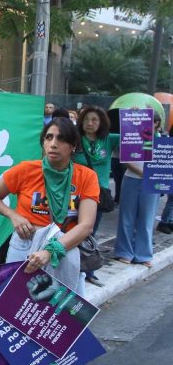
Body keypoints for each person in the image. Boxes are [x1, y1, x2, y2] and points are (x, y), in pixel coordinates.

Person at [0, 118, 98, 294]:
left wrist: (50, 252)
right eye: (48, 137)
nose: (53, 144)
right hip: (25, 245)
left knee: (65, 315)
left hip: (65, 246)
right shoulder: (26, 170)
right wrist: (14, 216)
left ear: (73, 145)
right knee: (17, 307)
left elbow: (86, 225)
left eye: (61, 139)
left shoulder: (86, 176)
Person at [73, 106, 119, 286]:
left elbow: (142, 140)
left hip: (97, 195)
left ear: (101, 123)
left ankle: (88, 271)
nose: (90, 123)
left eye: (94, 120)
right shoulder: (75, 140)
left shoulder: (109, 140)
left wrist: (139, 117)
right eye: (86, 119)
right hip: (75, 194)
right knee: (71, 230)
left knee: (90, 232)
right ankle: (70, 268)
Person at [114, 112, 163, 268]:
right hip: (131, 179)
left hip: (152, 183)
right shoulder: (132, 137)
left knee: (147, 218)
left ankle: (143, 254)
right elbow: (125, 160)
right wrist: (144, 173)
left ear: (156, 123)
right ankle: (124, 252)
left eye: (149, 121)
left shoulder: (163, 141)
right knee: (126, 217)